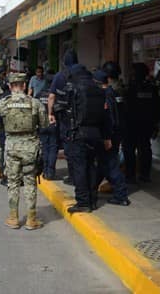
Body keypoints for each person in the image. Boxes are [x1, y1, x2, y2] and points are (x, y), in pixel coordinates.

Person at [0, 73, 48, 230]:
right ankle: (31, 219)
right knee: (30, 182)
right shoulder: (35, 103)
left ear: (10, 87)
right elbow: (44, 126)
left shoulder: (3, 103)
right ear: (24, 86)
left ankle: (13, 218)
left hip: (11, 148)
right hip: (31, 148)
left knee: (13, 183)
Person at [63, 64, 113, 213]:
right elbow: (105, 116)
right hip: (96, 134)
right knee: (91, 167)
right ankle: (92, 200)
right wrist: (106, 136)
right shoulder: (99, 90)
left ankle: (83, 202)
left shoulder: (74, 89)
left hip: (79, 134)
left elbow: (69, 113)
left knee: (80, 168)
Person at [93, 70, 130, 206]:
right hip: (116, 133)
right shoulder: (114, 93)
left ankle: (121, 195)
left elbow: (110, 119)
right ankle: (92, 189)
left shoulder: (106, 96)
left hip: (110, 135)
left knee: (110, 164)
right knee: (103, 164)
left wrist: (107, 137)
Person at [48, 49, 79, 186]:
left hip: (65, 117)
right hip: (82, 116)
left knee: (68, 146)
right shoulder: (84, 74)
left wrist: (50, 113)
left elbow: (51, 96)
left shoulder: (59, 76)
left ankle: (73, 176)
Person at [125, 63, 160, 183]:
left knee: (129, 149)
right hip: (147, 124)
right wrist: (155, 124)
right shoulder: (152, 87)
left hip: (132, 124)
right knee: (145, 148)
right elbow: (157, 107)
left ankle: (130, 175)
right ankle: (145, 174)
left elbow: (126, 107)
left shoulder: (130, 88)